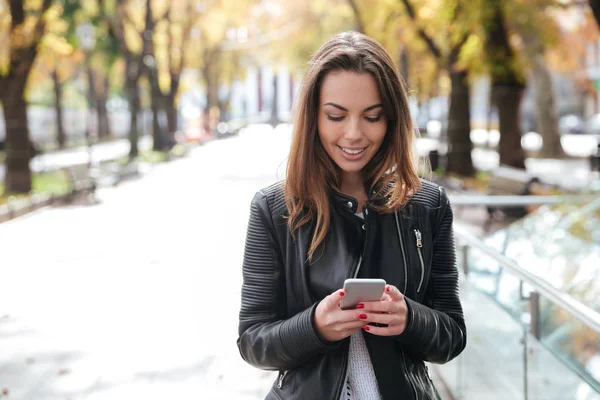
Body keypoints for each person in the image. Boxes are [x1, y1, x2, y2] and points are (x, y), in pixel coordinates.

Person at [237, 31, 467, 400]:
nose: (354, 134)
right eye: (336, 116)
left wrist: (410, 318)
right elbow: (253, 341)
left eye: (372, 117)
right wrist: (314, 327)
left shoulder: (428, 205)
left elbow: (452, 336)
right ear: (314, 117)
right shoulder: (273, 209)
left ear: (392, 119)